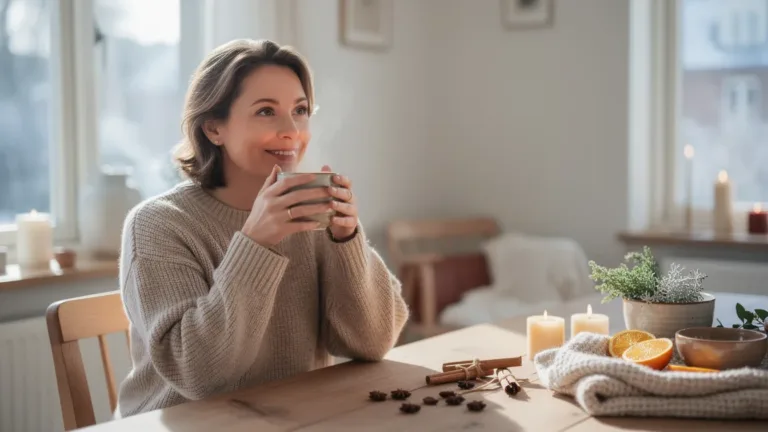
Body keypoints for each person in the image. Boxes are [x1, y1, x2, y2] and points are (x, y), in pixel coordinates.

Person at [115, 39, 409, 417]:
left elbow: (373, 342)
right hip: (183, 423)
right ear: (213, 128)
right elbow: (199, 376)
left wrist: (346, 238)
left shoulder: (311, 212)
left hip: (293, 418)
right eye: (266, 111)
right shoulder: (158, 224)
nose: (292, 130)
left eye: (300, 110)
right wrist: (255, 242)